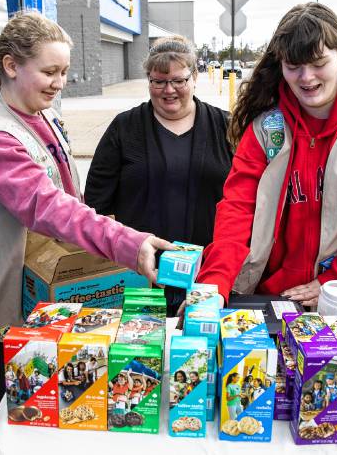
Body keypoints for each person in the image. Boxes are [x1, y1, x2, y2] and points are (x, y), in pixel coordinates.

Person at [0, 11, 173, 440]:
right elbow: (47, 206)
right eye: (50, 71)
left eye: (65, 71)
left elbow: (65, 195)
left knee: (46, 386)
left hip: (42, 275)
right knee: (6, 389)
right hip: (4, 284)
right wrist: (125, 241)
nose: (60, 82)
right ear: (12, 66)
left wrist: (90, 225)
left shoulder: (40, 114)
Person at [195, 3, 337, 311]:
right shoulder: (266, 128)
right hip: (273, 296)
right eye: (294, 66)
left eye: (317, 63)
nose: (306, 77)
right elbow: (238, 208)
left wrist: (333, 281)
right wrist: (214, 284)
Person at [85, 35, 233, 315]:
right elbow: (97, 202)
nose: (169, 90)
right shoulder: (124, 128)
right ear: (148, 80)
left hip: (209, 276)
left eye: (179, 80)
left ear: (195, 77)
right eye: (158, 81)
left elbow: (247, 202)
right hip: (139, 274)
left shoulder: (224, 126)